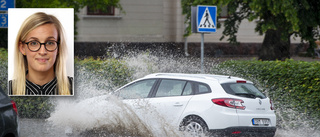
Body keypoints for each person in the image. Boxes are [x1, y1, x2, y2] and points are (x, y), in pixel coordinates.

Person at [9, 12, 72, 95]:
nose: (42, 52)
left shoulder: (75, 87)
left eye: (50, 43)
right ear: (22, 48)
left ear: (59, 48)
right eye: (34, 43)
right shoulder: (8, 89)